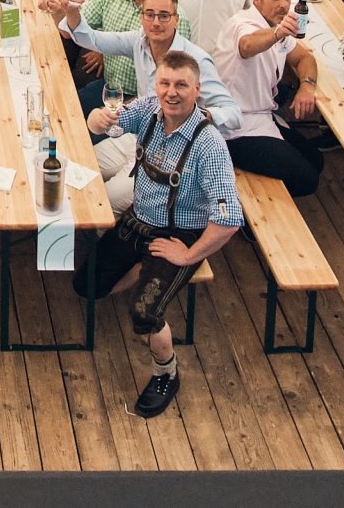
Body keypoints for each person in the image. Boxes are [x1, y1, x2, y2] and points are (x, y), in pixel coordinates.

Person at [80, 49, 244, 419]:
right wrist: (97, 118)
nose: (171, 92)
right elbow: (105, 124)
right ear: (156, 85)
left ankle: (166, 373)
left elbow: (230, 219)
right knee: (87, 287)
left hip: (179, 235)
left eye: (181, 85)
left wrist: (188, 255)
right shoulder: (149, 110)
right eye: (165, 83)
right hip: (139, 220)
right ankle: (142, 268)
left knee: (145, 314)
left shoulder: (209, 145)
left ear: (197, 90)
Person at [213, 0, 324, 196]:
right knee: (307, 180)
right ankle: (254, 204)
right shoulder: (243, 23)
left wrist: (307, 86)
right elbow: (247, 45)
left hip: (261, 115)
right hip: (234, 127)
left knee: (316, 160)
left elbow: (304, 58)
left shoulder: (275, 25)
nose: (283, 4)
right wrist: (277, 33)